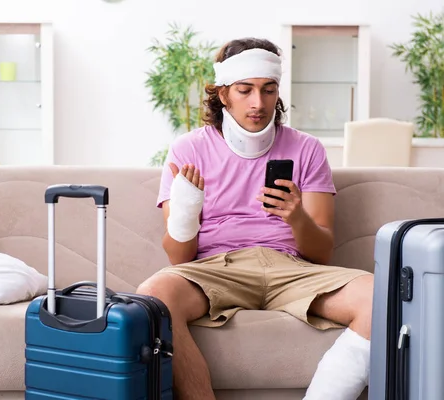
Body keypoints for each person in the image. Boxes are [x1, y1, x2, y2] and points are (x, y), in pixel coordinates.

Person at [136, 37, 374, 400]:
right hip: (217, 267)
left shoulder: (306, 149)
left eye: (268, 89)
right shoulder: (189, 149)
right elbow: (179, 258)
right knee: (153, 296)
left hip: (289, 267)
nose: (258, 103)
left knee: (381, 298)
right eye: (245, 90)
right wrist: (186, 211)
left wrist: (296, 217)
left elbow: (322, 252)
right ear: (222, 93)